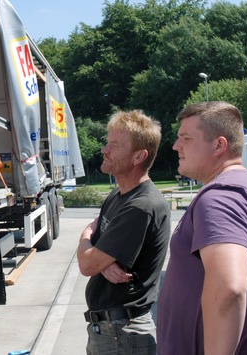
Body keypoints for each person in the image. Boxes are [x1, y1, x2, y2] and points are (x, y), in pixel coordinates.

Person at [157, 101, 247, 354]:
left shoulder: (222, 197)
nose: (176, 146)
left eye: (185, 138)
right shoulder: (241, 187)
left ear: (219, 145)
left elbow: (228, 290)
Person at [77, 110, 171, 355]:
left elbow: (87, 265)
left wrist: (86, 235)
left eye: (114, 146)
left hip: (122, 334)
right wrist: (102, 260)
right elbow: (97, 255)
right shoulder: (118, 196)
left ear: (139, 156)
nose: (104, 150)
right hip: (111, 330)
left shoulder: (141, 206)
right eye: (107, 143)